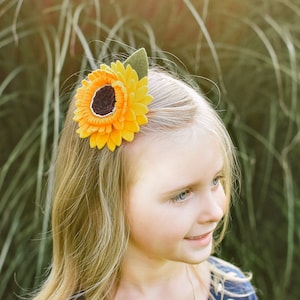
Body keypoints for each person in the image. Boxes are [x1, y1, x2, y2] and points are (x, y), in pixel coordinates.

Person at [32, 48, 258, 299]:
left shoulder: (234, 291)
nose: (215, 211)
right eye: (182, 195)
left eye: (216, 181)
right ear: (104, 200)